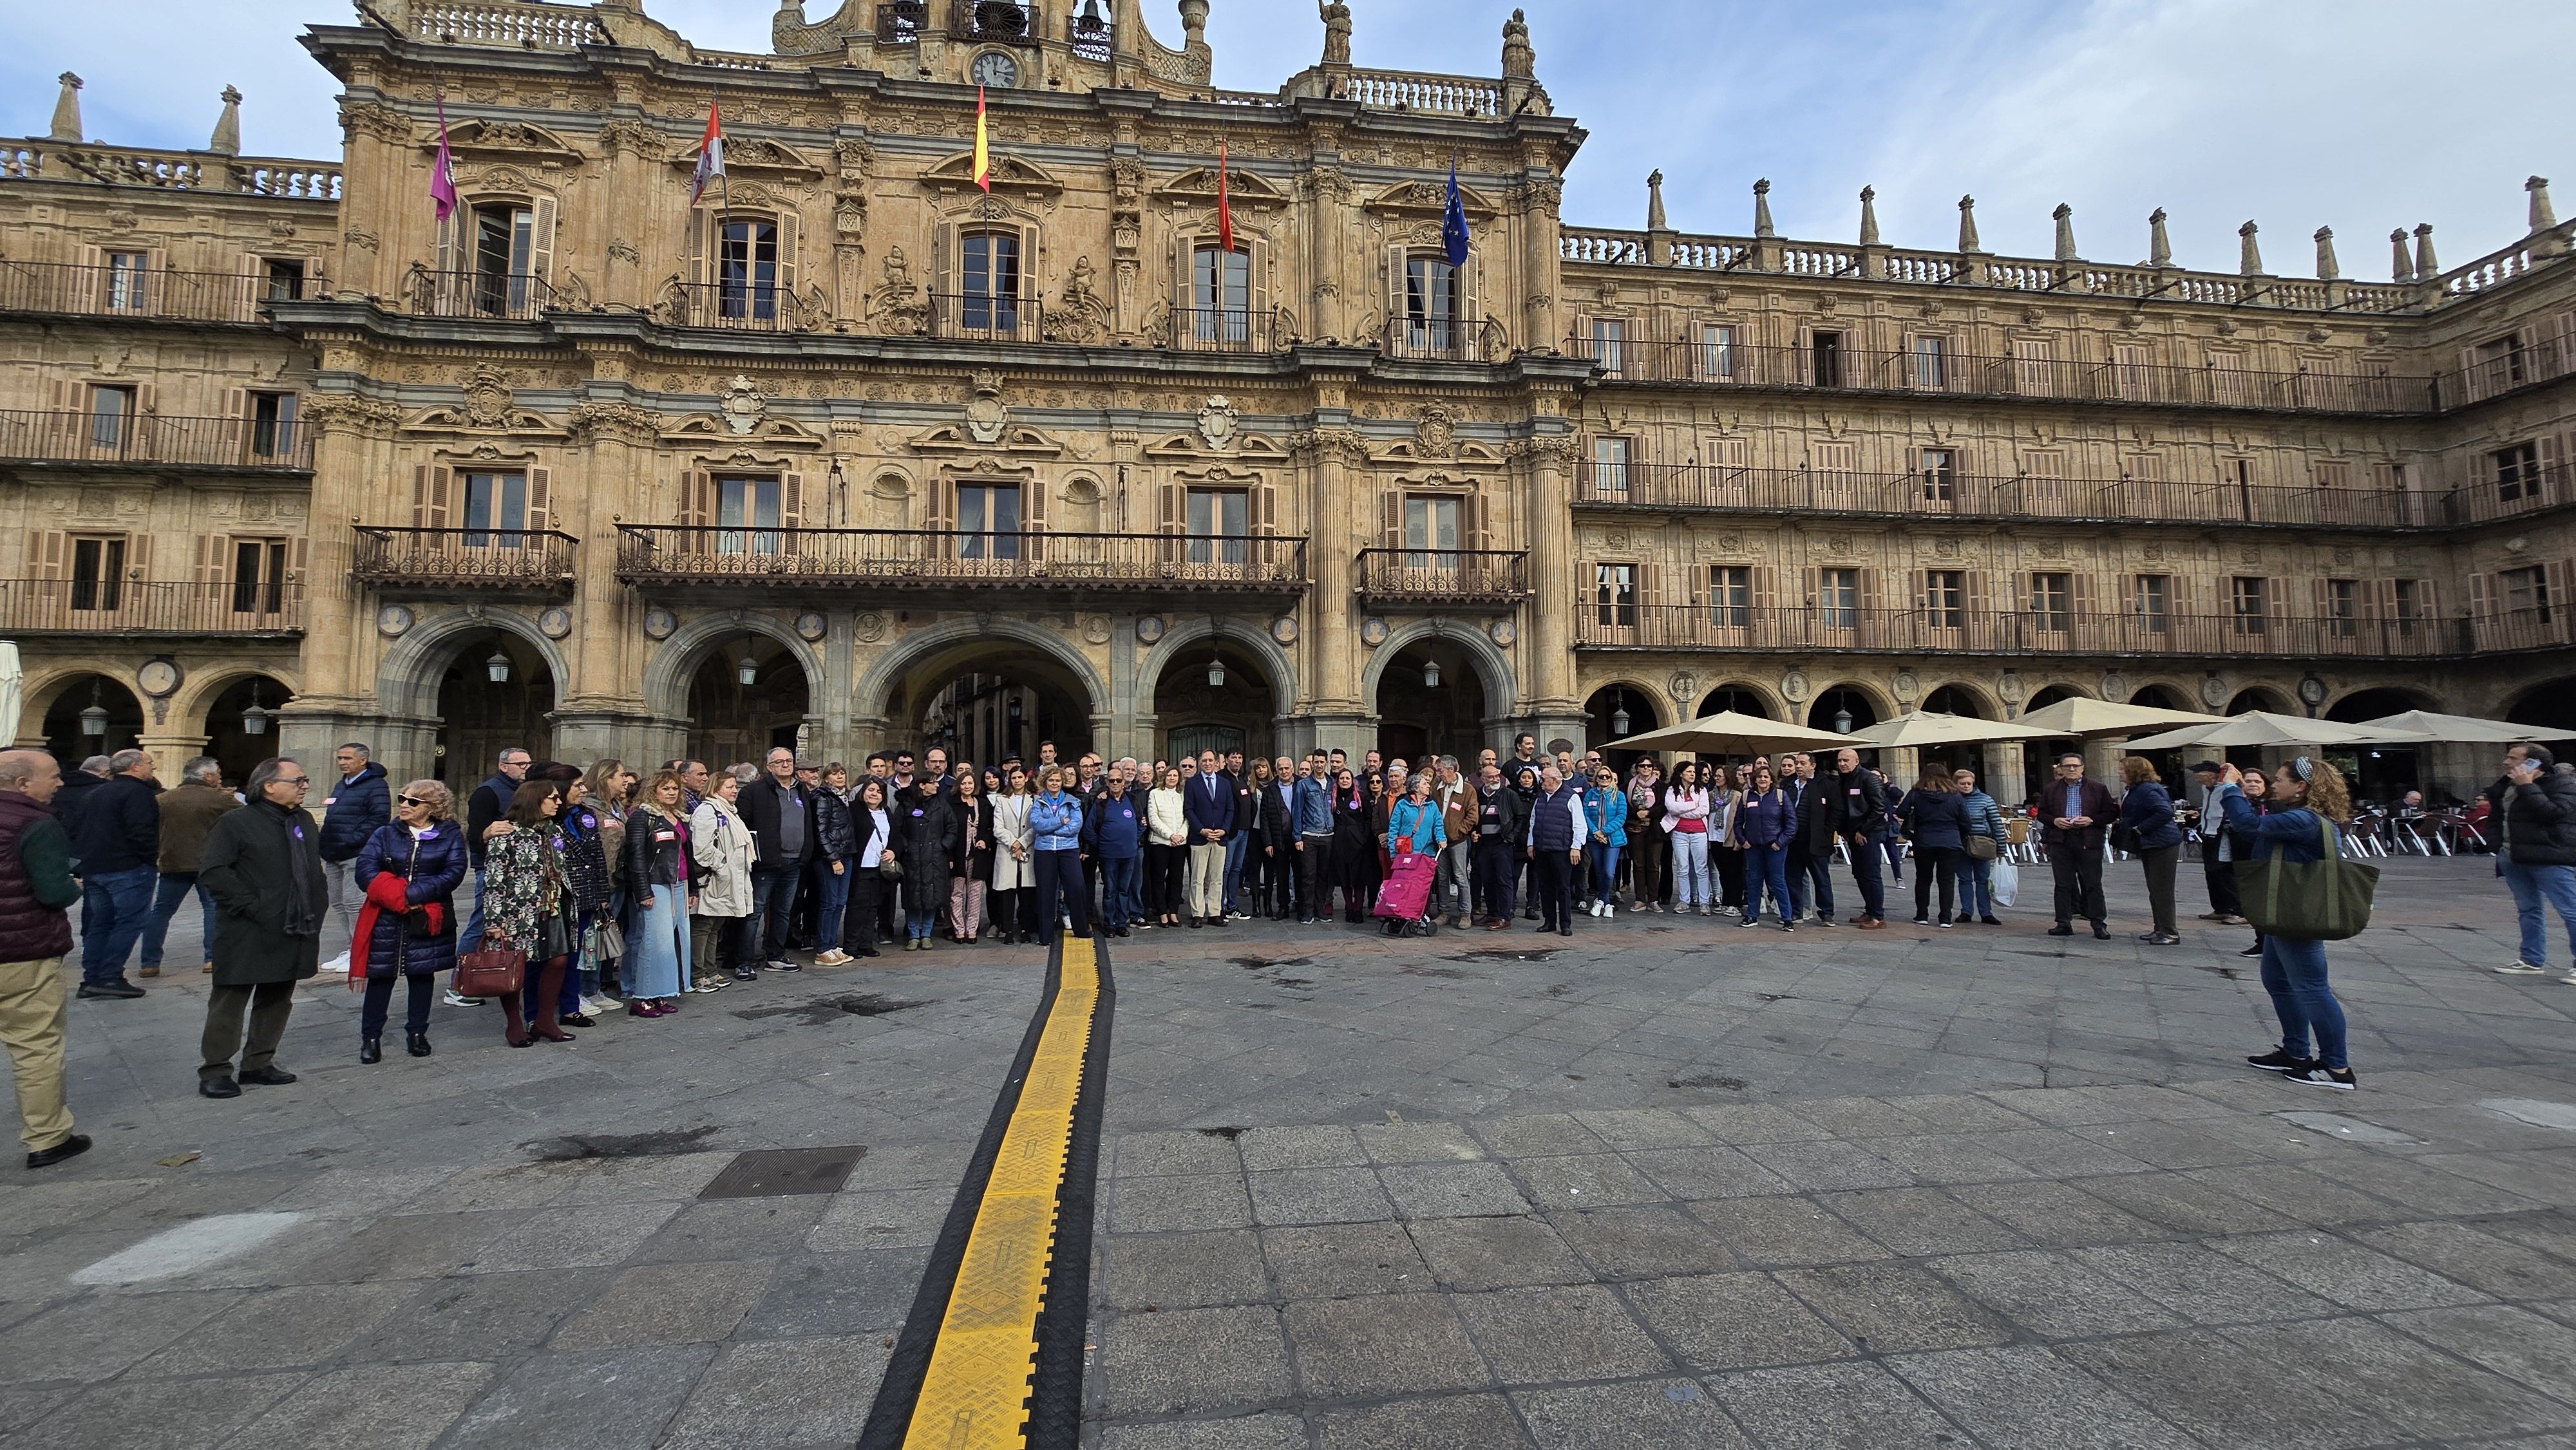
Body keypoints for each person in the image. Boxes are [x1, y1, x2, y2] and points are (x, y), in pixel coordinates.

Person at [2221, 757, 2360, 1089]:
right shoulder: (2299, 815)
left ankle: (2336, 1068)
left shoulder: (2303, 819)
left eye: (2281, 779)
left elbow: (2250, 826)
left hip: (2297, 912)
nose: (2274, 784)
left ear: (2302, 787)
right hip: (2284, 910)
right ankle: (2296, 1052)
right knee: (2278, 979)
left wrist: (2228, 789)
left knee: (2313, 988)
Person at [196, 757, 328, 1096]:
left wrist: (317, 902)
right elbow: (215, 871)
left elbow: (312, 866)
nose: (304, 786)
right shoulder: (236, 823)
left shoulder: (303, 820)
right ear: (269, 786)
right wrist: (252, 905)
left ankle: (259, 1062)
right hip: (247, 926)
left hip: (294, 924)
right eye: (297, 780)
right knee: (230, 998)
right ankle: (216, 1069)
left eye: (304, 780)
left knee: (278, 996)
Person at [0, 750, 86, 1167]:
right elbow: (53, 892)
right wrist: (72, 884)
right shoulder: (36, 823)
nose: (59, 784)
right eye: (52, 777)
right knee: (36, 1046)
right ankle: (47, 1138)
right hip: (22, 955)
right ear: (22, 784)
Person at [350, 778, 465, 1063]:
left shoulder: (449, 834)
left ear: (432, 807)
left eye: (413, 801)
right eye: (403, 798)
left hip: (427, 915)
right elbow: (366, 869)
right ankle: (371, 1038)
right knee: (380, 977)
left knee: (422, 976)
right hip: (385, 914)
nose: (404, 804)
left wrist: (414, 895)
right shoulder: (385, 833)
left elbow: (453, 872)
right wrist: (397, 898)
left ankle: (417, 1033)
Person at [481, 779, 582, 1043]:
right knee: (515, 965)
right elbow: (494, 879)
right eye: (552, 798)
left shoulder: (555, 831)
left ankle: (545, 1021)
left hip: (554, 906)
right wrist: (494, 920)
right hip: (517, 910)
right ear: (534, 800)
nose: (558, 803)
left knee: (558, 959)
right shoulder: (506, 834)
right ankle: (514, 1024)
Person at [68, 748, 159, 999]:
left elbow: (76, 829)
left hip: (95, 868)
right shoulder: (138, 793)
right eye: (149, 763)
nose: (153, 768)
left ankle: (91, 979)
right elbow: (142, 832)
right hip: (128, 869)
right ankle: (110, 976)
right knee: (129, 922)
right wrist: (149, 861)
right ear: (135, 767)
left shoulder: (95, 792)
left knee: (100, 924)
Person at [142, 756, 236, 979]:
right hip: (208, 863)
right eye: (218, 774)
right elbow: (246, 817)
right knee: (212, 908)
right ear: (207, 776)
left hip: (172, 861)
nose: (220, 778)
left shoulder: (163, 799)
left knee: (161, 912)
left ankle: (150, 962)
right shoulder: (220, 799)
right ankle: (212, 958)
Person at [2491, 743, 2576, 977]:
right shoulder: (2508, 784)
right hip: (2513, 854)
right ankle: (2531, 959)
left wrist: (2528, 786)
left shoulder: (2563, 784)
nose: (2506, 762)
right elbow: (2499, 815)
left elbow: (2553, 814)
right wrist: (2496, 844)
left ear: (2534, 763)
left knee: (2570, 909)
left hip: (2550, 855)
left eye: (2513, 758)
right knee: (2528, 909)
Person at [624, 769, 695, 1003]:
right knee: (655, 942)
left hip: (679, 884)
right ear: (653, 790)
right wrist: (643, 891)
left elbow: (687, 854)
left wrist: (692, 887)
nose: (672, 792)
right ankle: (644, 996)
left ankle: (663, 993)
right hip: (656, 884)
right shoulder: (642, 817)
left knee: (674, 943)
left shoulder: (679, 815)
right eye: (666, 788)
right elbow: (636, 857)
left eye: (675, 788)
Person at [739, 746, 811, 973]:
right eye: (779, 762)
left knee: (783, 911)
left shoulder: (801, 790)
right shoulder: (754, 791)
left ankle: (776, 956)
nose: (786, 765)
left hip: (794, 862)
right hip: (766, 863)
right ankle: (744, 961)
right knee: (754, 913)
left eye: (789, 761)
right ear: (769, 767)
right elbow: (743, 824)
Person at [457, 746, 533, 962]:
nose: (526, 768)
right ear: (503, 766)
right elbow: (474, 837)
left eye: (528, 764)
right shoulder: (488, 792)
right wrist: (486, 834)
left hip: (519, 870)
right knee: (482, 923)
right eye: (520, 764)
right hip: (490, 869)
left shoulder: (525, 789)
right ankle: (459, 979)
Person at [317, 742, 391, 952]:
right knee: (337, 901)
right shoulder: (343, 784)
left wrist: (352, 840)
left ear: (363, 760)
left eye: (347, 758)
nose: (342, 762)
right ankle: (352, 945)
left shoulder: (376, 785)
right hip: (333, 852)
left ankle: (361, 949)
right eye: (340, 758)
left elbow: (378, 819)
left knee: (353, 902)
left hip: (356, 853)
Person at [690, 767, 756, 990]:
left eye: (735, 786)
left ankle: (710, 970)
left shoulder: (729, 811)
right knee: (704, 926)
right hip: (714, 880)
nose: (735, 790)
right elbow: (702, 848)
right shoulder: (708, 811)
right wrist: (722, 866)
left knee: (715, 927)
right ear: (717, 788)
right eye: (730, 787)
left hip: (728, 879)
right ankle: (698, 973)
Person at [2041, 753, 2117, 939]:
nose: (2072, 769)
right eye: (2067, 766)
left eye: (2075, 766)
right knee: (2062, 884)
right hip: (2061, 840)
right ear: (2060, 769)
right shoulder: (2052, 789)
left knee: (2093, 883)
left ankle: (2099, 923)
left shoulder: (2097, 788)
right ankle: (2063, 923)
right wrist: (2055, 820)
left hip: (2088, 840)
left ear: (2083, 768)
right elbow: (2042, 813)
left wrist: (2092, 820)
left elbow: (2111, 812)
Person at [1817, 749, 1889, 929]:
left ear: (1857, 760)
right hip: (1853, 833)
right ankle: (1870, 910)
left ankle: (1878, 917)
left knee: (1871, 873)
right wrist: (1843, 830)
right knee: (1860, 873)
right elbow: (1842, 808)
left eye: (1846, 760)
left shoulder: (1869, 778)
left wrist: (1864, 831)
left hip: (1868, 833)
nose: (1842, 764)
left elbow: (1879, 808)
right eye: (1840, 761)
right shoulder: (1843, 780)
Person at [2119, 757, 2186, 945]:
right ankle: (2160, 928)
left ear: (2134, 771)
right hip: (2153, 843)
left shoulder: (2147, 790)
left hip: (2162, 843)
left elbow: (2164, 812)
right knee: (2155, 889)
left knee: (2162, 890)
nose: (2119, 772)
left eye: (2122, 769)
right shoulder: (2140, 789)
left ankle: (2170, 932)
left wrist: (2142, 828)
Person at [1897, 770, 1969, 928]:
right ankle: (1945, 918)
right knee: (1947, 881)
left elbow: (1900, 811)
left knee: (1923, 879)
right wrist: (1959, 836)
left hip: (1924, 841)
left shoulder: (1916, 794)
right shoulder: (1955, 795)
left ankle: (1922, 915)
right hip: (1951, 841)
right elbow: (1965, 821)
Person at [1732, 760, 1796, 931]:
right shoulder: (1747, 796)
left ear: (1771, 779)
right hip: (1753, 847)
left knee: (1778, 881)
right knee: (1754, 881)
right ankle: (1752, 915)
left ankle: (1787, 918)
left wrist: (1780, 842)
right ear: (1754, 779)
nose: (1762, 779)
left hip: (1775, 846)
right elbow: (1738, 822)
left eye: (1766, 777)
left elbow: (1791, 823)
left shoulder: (1780, 796)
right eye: (1759, 777)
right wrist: (1742, 840)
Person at [1524, 764, 1586, 937]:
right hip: (1542, 849)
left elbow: (1580, 825)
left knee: (1563, 887)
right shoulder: (1541, 797)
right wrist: (1531, 844)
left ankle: (1565, 923)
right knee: (1545, 887)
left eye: (1543, 779)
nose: (1541, 782)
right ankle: (1549, 921)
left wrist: (1576, 847)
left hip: (1562, 850)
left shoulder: (1571, 797)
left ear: (1554, 780)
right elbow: (1533, 823)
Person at [1081, 762, 1140, 938]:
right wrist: (1101, 844)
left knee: (1124, 889)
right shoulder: (1101, 803)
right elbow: (1088, 829)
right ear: (1107, 782)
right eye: (1112, 780)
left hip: (1129, 854)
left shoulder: (1133, 800)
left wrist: (1133, 839)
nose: (1115, 783)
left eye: (1118, 780)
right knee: (1110, 890)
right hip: (1108, 855)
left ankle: (1121, 923)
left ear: (1124, 782)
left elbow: (1141, 823)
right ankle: (1109, 924)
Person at [1383, 771, 1445, 935]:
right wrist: (1392, 852)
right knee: (1405, 885)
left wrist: (1441, 838)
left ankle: (1422, 915)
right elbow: (1394, 829)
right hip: (1405, 854)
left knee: (1423, 887)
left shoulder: (1432, 806)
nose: (1428, 786)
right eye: (1425, 784)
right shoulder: (1402, 805)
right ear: (1416, 787)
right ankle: (1404, 913)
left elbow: (1438, 825)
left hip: (1426, 853)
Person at [1029, 766, 1087, 944]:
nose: (1055, 783)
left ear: (1063, 782)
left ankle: (1080, 928)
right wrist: (1060, 821)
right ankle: (1046, 935)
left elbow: (1075, 827)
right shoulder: (1038, 802)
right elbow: (1037, 825)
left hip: (1068, 850)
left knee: (1076, 887)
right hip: (1045, 851)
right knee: (1046, 892)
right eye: (1051, 780)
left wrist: (1051, 829)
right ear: (1045, 782)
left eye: (1058, 780)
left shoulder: (1072, 802)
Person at [808, 764, 858, 966]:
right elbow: (821, 831)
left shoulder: (843, 797)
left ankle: (831, 944)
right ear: (826, 777)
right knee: (829, 903)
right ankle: (823, 948)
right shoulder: (822, 798)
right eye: (834, 773)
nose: (839, 776)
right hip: (831, 857)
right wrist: (834, 858)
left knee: (840, 903)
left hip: (846, 853)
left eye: (842, 773)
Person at [2187, 761, 2244, 926]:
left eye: (2198, 772)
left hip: (2221, 832)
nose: (2195, 776)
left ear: (2210, 774)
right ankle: (2221, 908)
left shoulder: (2226, 788)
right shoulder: (2206, 788)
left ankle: (2238, 910)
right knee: (2211, 872)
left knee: (2224, 872)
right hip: (2207, 832)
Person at [1184, 749, 1234, 928]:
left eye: (1210, 761)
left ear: (1217, 763)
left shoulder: (1224, 784)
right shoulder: (1192, 784)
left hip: (1220, 838)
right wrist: (1201, 829)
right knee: (1197, 878)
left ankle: (1214, 912)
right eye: (1204, 761)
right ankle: (1197, 914)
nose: (1207, 763)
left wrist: (1224, 830)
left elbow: (1230, 809)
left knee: (1217, 877)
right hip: (1200, 838)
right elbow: (1188, 809)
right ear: (1200, 763)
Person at [1783, 754, 1835, 927]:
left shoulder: (1825, 784)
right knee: (1793, 878)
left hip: (1815, 840)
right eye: (1797, 763)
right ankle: (1796, 911)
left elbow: (1836, 811)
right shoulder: (1788, 784)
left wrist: (1826, 831)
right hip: (1792, 840)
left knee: (1821, 878)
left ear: (1812, 766)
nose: (1798, 766)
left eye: (1803, 763)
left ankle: (1827, 912)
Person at [844, 777, 893, 957]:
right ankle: (851, 945)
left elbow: (895, 835)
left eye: (879, 791)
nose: (874, 794)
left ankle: (866, 944)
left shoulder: (886, 812)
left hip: (878, 867)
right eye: (871, 790)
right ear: (863, 792)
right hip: (861, 866)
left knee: (873, 906)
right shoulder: (855, 810)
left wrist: (893, 851)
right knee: (857, 907)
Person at [1952, 767, 2007, 926]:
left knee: (1983, 880)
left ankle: (1986, 912)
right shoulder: (1952, 799)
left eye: (1969, 783)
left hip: (1982, 843)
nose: (1967, 786)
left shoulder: (1985, 800)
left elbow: (1996, 824)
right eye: (1963, 783)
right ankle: (1966, 911)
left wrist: (2001, 847)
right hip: (1961, 845)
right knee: (1964, 879)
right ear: (1955, 784)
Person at [948, 767, 995, 942]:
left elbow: (991, 827)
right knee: (956, 894)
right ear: (958, 786)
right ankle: (959, 929)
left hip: (978, 855)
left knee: (975, 894)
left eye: (970, 783)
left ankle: (972, 930)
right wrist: (949, 857)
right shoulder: (951, 804)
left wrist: (985, 840)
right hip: (958, 855)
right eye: (964, 783)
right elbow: (947, 830)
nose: (967, 786)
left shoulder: (983, 804)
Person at [987, 766, 1033, 946]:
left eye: (1020, 777)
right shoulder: (1002, 800)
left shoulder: (1034, 799)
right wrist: (1013, 842)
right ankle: (1007, 930)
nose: (1017, 781)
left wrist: (1022, 842)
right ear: (1009, 780)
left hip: (1027, 849)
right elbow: (997, 827)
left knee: (1026, 893)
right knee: (1007, 893)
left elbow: (1035, 826)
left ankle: (1025, 929)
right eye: (1013, 778)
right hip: (1007, 850)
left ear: (1025, 779)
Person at [1663, 762, 1714, 916]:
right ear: (1680, 773)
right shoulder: (1672, 790)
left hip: (1699, 833)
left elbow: (1704, 811)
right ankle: (1684, 900)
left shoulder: (1702, 790)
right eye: (1689, 771)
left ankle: (1704, 902)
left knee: (1702, 868)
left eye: (1693, 772)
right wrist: (1693, 805)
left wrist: (1681, 811)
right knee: (1682, 868)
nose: (1692, 774)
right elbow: (1671, 808)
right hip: (1679, 833)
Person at [1432, 758, 1478, 929]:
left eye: (1440, 770)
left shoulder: (1467, 790)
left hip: (1458, 841)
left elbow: (1473, 816)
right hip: (1439, 842)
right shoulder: (1436, 789)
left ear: (1451, 770)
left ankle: (1465, 914)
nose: (1438, 774)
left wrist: (1459, 831)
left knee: (1460, 877)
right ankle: (1444, 912)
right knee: (1442, 878)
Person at [1330, 767, 1377, 923]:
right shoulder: (1334, 797)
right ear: (1338, 781)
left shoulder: (1361, 797)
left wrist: (1363, 837)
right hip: (1340, 843)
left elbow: (1368, 818)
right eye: (1342, 778)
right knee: (1345, 879)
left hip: (1358, 844)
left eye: (1347, 778)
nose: (1344, 781)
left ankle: (1358, 909)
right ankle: (1349, 908)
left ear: (1352, 781)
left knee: (1359, 878)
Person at [1144, 764, 1188, 928]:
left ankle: (1174, 912)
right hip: (1160, 842)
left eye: (1175, 776)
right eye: (1169, 775)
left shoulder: (1182, 795)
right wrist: (1170, 835)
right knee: (1158, 878)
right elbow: (1153, 819)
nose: (1172, 778)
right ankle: (1162, 913)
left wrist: (1181, 836)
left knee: (1177, 879)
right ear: (1164, 777)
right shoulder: (1155, 794)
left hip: (1180, 843)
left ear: (1179, 778)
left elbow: (1187, 817)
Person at [1583, 765, 1627, 918]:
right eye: (1601, 777)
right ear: (1596, 779)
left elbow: (1621, 817)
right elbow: (1585, 814)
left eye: (1607, 777)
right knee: (1600, 872)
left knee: (1609, 873)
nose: (1604, 779)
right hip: (1594, 839)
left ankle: (1601, 900)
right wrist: (1595, 832)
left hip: (1612, 838)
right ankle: (1607, 903)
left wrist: (1604, 831)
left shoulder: (1619, 795)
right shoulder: (1590, 794)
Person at [1625, 758, 1667, 914]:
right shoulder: (1628, 786)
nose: (1646, 768)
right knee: (1638, 864)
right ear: (1637, 768)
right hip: (1635, 828)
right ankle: (1640, 899)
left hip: (1655, 830)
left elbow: (1665, 806)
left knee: (1654, 865)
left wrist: (1649, 812)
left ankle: (1653, 900)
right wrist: (1637, 813)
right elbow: (1625, 805)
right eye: (1642, 766)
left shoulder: (1661, 786)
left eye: (1649, 766)